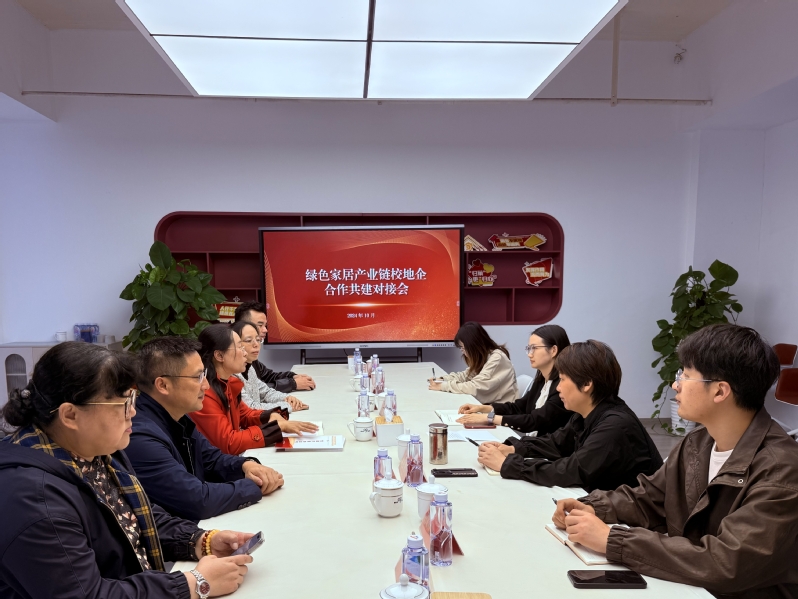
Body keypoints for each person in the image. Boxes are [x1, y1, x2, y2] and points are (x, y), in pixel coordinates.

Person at [552, 325, 798, 598]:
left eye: (686, 375)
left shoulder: (781, 470)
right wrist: (592, 507)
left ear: (720, 392)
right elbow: (649, 497)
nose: (675, 384)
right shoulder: (698, 443)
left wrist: (614, 540)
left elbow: (727, 563)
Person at [0, 342, 255, 599]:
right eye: (123, 402)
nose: (133, 411)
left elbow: (133, 517)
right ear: (70, 415)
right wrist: (193, 584)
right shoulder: (33, 498)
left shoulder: (96, 451)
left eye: (132, 398)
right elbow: (86, 595)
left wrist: (200, 541)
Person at [126, 336, 285, 522]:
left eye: (205, 375)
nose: (206, 385)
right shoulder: (139, 437)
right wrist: (254, 485)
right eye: (198, 377)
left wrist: (246, 465)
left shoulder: (179, 416)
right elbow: (197, 500)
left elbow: (212, 459)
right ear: (163, 385)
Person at [478, 340, 662, 492]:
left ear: (587, 384)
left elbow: (570, 471)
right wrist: (514, 448)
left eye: (563, 379)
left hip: (626, 521)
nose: (558, 387)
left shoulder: (615, 426)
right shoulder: (586, 413)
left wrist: (507, 464)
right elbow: (556, 443)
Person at [191, 324, 318, 455]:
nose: (245, 353)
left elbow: (245, 415)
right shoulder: (205, 393)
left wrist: (270, 416)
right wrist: (274, 428)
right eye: (240, 347)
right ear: (219, 356)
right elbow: (229, 443)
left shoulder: (229, 383)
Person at [457, 324, 572, 435]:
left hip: (543, 445)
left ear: (553, 350)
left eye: (534, 348)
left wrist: (489, 418)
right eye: (529, 348)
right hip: (534, 441)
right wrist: (483, 408)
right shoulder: (542, 380)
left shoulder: (562, 387)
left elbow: (534, 420)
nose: (529, 354)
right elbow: (519, 407)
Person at [233, 301, 316, 392]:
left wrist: (292, 376)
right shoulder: (231, 359)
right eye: (260, 325)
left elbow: (267, 376)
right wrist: (292, 384)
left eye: (265, 325)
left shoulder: (251, 355)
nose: (265, 330)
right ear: (242, 325)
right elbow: (255, 391)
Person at [428, 321, 517, 404]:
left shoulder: (497, 358)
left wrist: (443, 386)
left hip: (502, 411)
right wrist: (443, 379)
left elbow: (475, 388)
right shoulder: (486, 356)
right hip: (490, 407)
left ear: (474, 345)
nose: (463, 352)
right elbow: (466, 376)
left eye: (463, 348)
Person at [230, 320, 308, 414]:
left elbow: (266, 392)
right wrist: (286, 406)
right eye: (248, 341)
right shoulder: (232, 375)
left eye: (258, 340)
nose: (256, 344)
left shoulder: (249, 368)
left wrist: (286, 398)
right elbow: (250, 408)